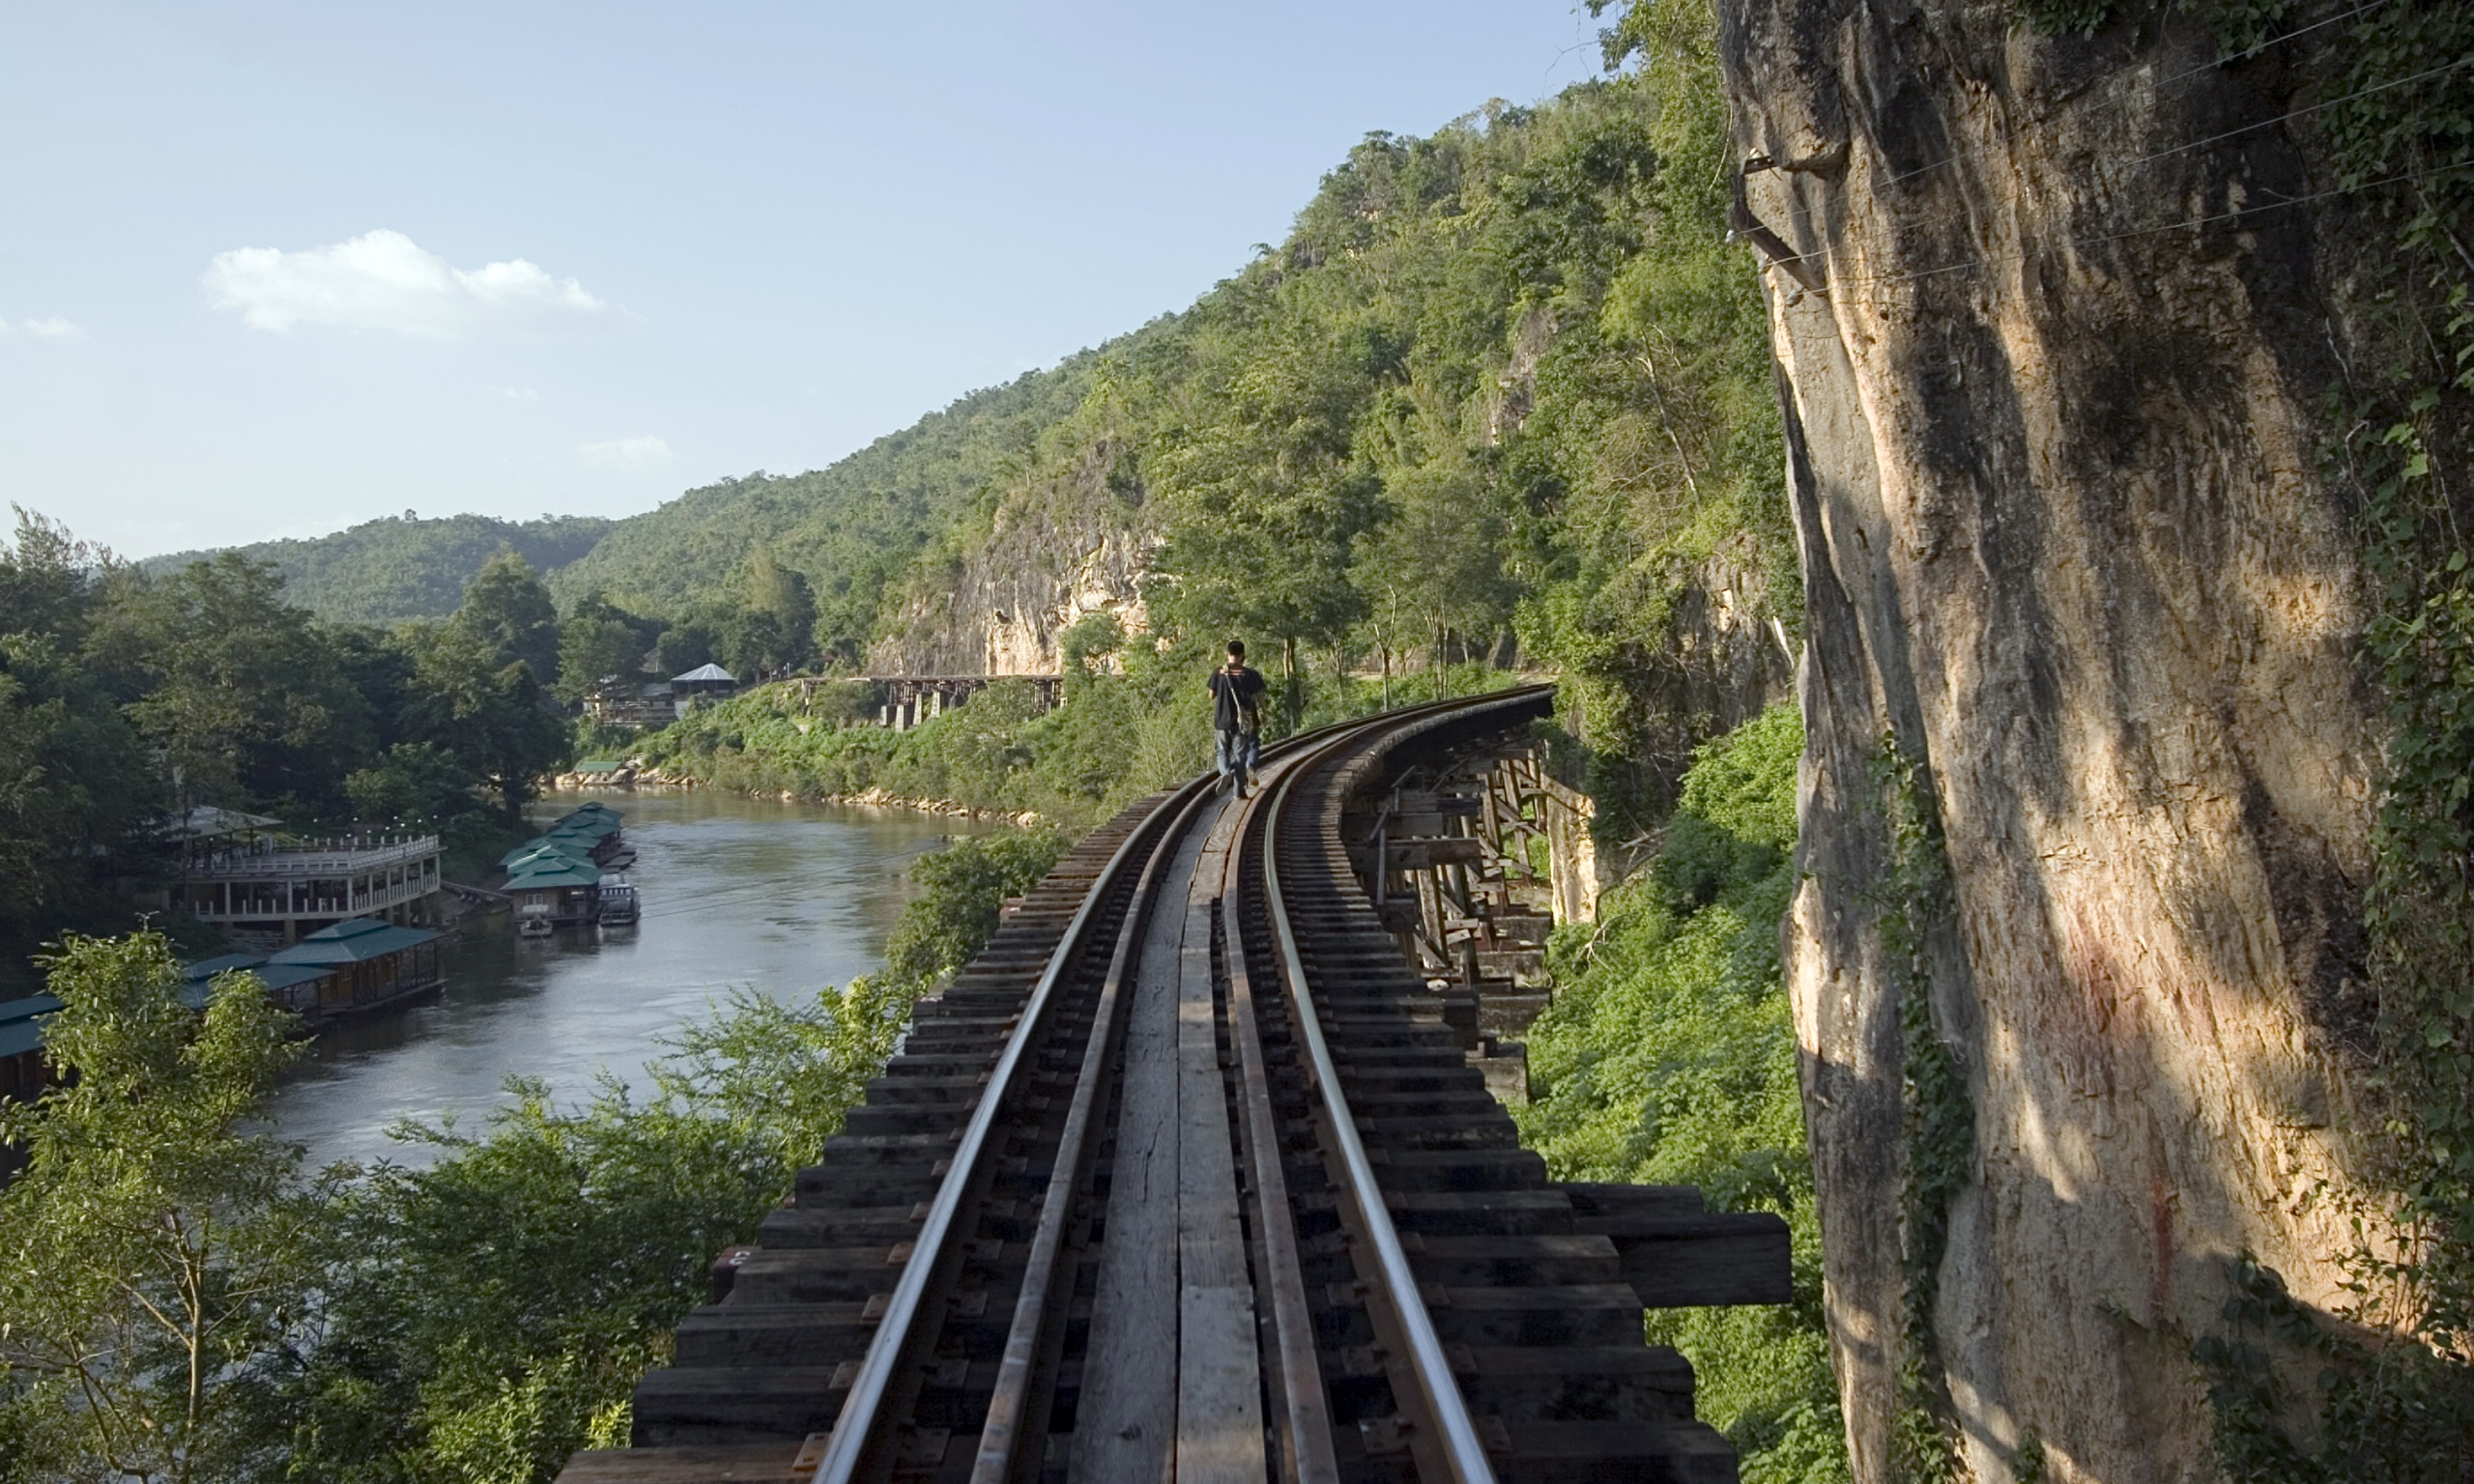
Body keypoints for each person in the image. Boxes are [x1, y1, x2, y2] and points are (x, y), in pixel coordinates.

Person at [1208, 640, 1267, 797]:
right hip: (1242, 722)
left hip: (1222, 721)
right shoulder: (1250, 674)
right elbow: (1259, 696)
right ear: (1243, 656)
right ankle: (1238, 792)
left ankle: (1226, 773)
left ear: (1227, 654)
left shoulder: (1217, 672)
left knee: (1222, 752)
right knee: (1240, 757)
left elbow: (1211, 695)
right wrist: (1265, 712)